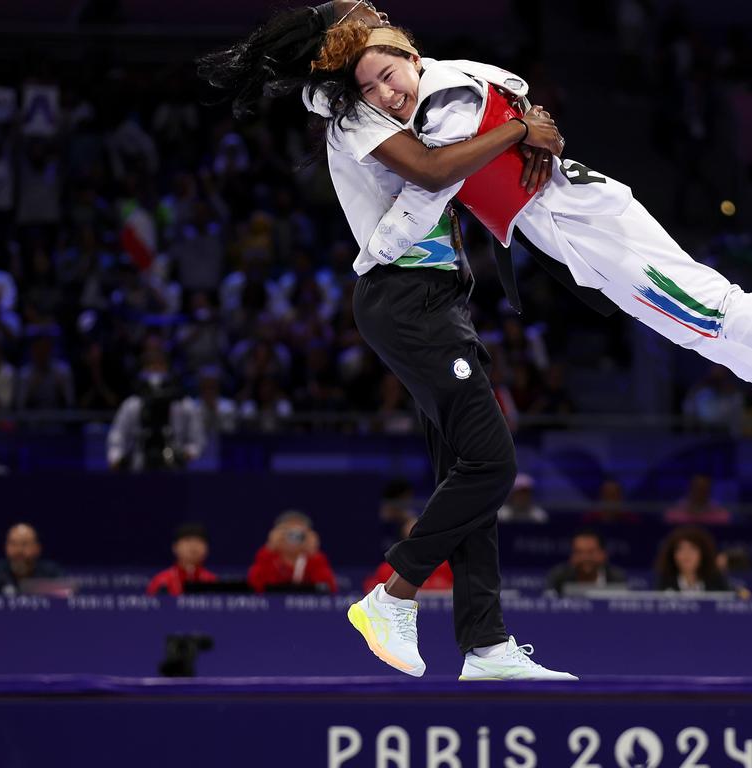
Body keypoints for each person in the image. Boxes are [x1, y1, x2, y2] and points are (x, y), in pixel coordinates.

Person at [198, 1, 575, 681]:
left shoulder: (400, 97)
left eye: (390, 74)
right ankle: (392, 594)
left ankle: (485, 643)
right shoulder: (354, 116)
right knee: (493, 466)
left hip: (436, 300)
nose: (383, 91)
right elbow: (434, 173)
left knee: (467, 476)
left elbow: (466, 103)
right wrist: (520, 126)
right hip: (404, 300)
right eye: (367, 77)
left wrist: (520, 119)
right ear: (347, 60)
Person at [311, 21, 752, 448]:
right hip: (570, 230)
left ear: (411, 58)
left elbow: (431, 187)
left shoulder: (442, 104)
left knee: (709, 307)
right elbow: (515, 84)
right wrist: (529, 123)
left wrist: (378, 248)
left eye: (388, 76)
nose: (387, 95)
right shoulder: (452, 75)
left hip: (584, 219)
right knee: (681, 324)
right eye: (370, 91)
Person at [106, 336, 206, 471]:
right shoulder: (132, 404)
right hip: (139, 466)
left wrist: (188, 453)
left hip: (174, 466)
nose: (155, 369)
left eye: (160, 364)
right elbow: (117, 437)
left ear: (167, 368)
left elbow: (197, 440)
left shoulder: (184, 404)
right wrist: (116, 458)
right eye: (151, 365)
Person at [247, 511, 338, 593]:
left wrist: (313, 553)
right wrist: (269, 548)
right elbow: (254, 585)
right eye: (287, 532)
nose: (293, 537)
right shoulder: (267, 558)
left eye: (299, 533)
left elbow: (328, 588)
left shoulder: (315, 560)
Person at [364, 517, 453, 594]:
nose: (418, 544)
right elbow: (374, 594)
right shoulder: (387, 569)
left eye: (422, 539)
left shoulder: (447, 566)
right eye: (413, 539)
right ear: (404, 541)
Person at [0, 523, 62, 596]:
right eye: (13, 544)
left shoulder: (51, 574)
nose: (19, 550)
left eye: (25, 544)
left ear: (37, 548)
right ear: (6, 547)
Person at [546, 529, 627, 596]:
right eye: (579, 552)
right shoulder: (559, 577)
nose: (585, 558)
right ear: (572, 556)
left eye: (591, 552)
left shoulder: (616, 578)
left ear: (603, 554)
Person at [146, 523, 218, 596]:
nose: (193, 546)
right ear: (175, 547)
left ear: (207, 548)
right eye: (187, 540)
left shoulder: (212, 581)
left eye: (199, 541)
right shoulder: (161, 581)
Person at [654, 526, 732, 593]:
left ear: (703, 553)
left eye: (692, 548)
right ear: (673, 555)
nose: (686, 554)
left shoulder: (716, 581)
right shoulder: (665, 582)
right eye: (680, 549)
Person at [664, 473, 732, 526]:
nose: (700, 493)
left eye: (704, 489)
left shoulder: (721, 516)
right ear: (690, 489)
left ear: (709, 491)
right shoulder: (674, 515)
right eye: (697, 488)